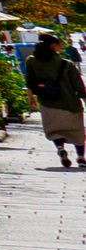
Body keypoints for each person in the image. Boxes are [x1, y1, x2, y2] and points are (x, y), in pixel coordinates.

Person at [30, 32, 84, 170]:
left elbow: (29, 81)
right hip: (69, 103)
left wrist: (31, 99)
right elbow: (79, 86)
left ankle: (60, 148)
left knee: (54, 130)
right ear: (53, 46)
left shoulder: (31, 61)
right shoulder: (66, 64)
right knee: (77, 132)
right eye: (59, 44)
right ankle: (81, 157)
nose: (61, 46)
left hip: (47, 102)